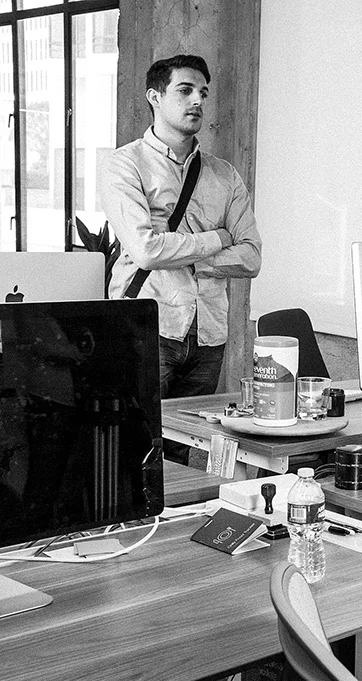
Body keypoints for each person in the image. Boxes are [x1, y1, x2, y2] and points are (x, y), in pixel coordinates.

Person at [101, 54, 262, 461]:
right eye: (185, 90)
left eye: (202, 93)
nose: (197, 101)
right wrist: (217, 238)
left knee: (184, 450)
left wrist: (186, 255)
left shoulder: (224, 174)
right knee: (135, 450)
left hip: (209, 334)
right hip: (148, 326)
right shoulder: (124, 165)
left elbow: (251, 257)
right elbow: (146, 249)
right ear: (155, 97)